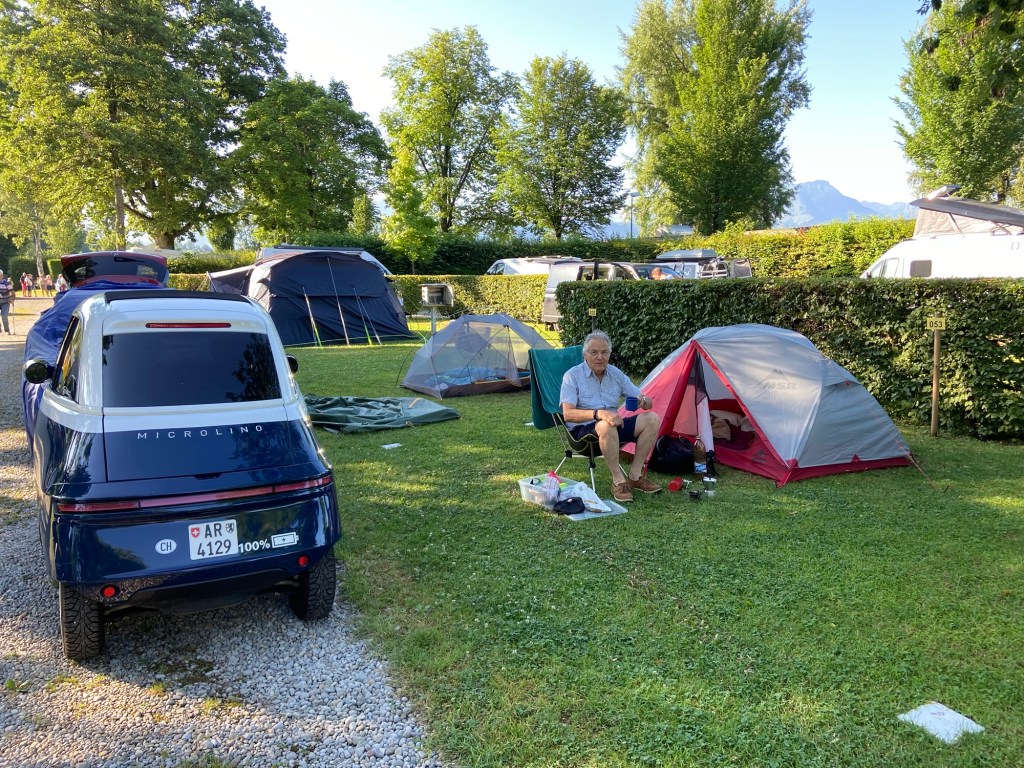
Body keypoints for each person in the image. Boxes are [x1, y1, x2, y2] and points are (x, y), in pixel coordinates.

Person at [559, 330, 663, 503]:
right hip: (583, 433)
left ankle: (635, 476)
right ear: (585, 355)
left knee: (652, 419)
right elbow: (568, 414)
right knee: (606, 424)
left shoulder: (616, 374)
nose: (600, 357)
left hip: (613, 427)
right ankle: (618, 480)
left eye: (604, 352)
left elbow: (648, 401)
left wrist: (643, 401)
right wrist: (599, 413)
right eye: (594, 352)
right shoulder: (572, 376)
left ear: (609, 354)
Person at [0, 269, 15, 335]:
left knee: (4, 316)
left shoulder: (6, 283)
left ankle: (7, 330)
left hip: (5, 302)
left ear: (2, 276)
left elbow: (12, 292)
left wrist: (12, 298)